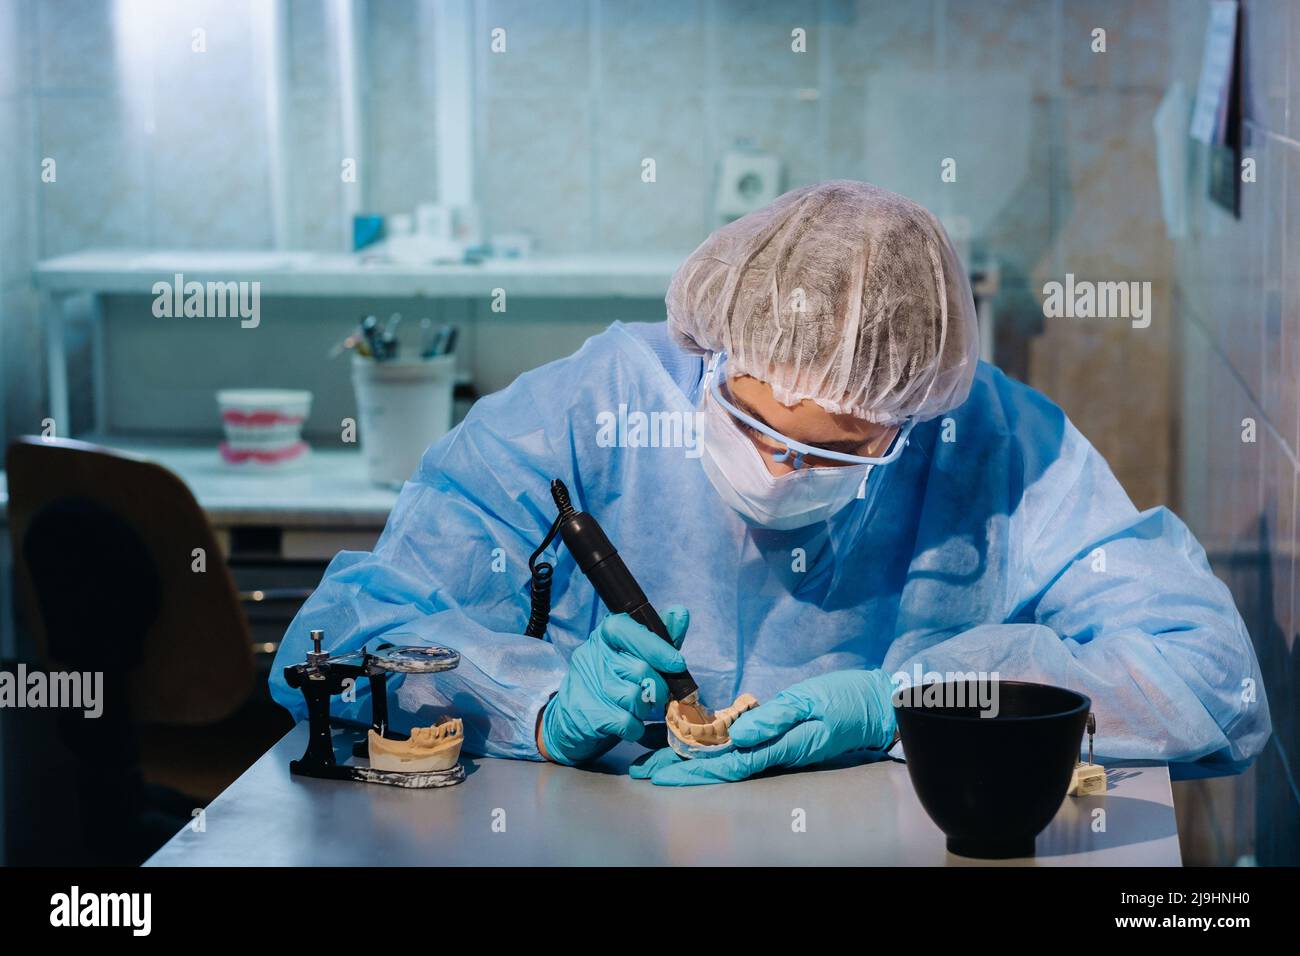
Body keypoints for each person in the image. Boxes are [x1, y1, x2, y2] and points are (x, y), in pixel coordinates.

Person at [270, 180, 1270, 786]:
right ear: (707, 350)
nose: (780, 469)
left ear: (909, 419)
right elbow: (352, 627)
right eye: (749, 422)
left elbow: (1206, 676)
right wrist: (529, 701)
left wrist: (909, 702)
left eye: (838, 450)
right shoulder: (596, 408)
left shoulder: (993, 444)